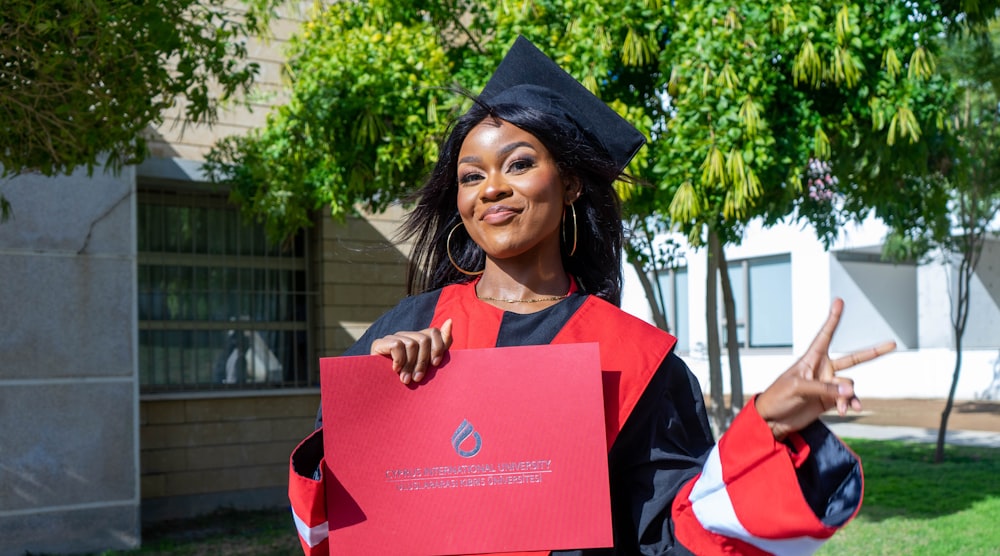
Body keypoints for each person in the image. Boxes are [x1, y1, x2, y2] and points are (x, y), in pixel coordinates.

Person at [288, 36, 896, 556]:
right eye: (471, 176)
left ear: (571, 183)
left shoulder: (632, 360)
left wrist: (763, 431)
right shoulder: (407, 328)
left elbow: (673, 536)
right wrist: (372, 406)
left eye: (519, 164)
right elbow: (332, 528)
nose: (490, 189)